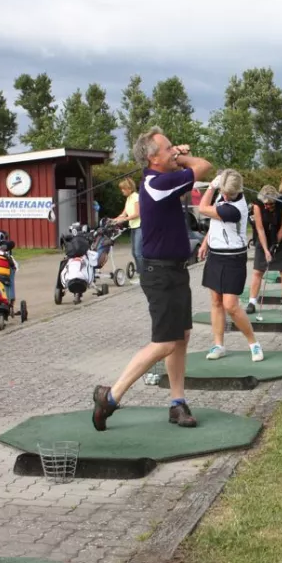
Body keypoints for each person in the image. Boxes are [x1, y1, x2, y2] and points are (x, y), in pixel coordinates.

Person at [91, 126, 212, 431]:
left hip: (175, 270)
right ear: (152, 158)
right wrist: (182, 157)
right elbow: (203, 166)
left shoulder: (162, 179)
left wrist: (174, 156)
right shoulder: (158, 182)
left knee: (181, 337)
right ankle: (111, 396)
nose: (174, 151)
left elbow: (192, 169)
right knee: (165, 343)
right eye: (168, 148)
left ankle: (177, 402)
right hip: (160, 273)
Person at [195, 169, 264, 363]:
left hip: (233, 258)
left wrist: (212, 186)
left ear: (237, 191)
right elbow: (215, 223)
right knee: (216, 301)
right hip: (215, 256)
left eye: (228, 194)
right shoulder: (224, 194)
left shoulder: (235, 210)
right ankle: (219, 345)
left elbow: (203, 208)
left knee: (230, 305)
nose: (225, 196)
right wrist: (206, 242)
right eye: (223, 192)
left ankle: (253, 343)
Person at [246, 185, 282, 316]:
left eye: (270, 204)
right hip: (263, 238)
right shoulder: (258, 205)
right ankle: (252, 302)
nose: (267, 206)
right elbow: (260, 229)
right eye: (265, 204)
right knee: (258, 271)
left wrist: (275, 244)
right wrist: (266, 250)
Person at [112, 177, 143, 281]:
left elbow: (137, 214)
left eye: (123, 189)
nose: (122, 191)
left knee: (138, 252)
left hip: (140, 226)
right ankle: (140, 273)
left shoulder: (136, 197)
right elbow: (124, 213)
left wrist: (124, 220)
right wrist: (113, 220)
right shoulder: (129, 198)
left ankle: (143, 276)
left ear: (129, 188)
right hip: (133, 227)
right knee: (134, 252)